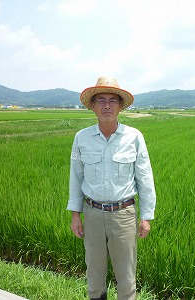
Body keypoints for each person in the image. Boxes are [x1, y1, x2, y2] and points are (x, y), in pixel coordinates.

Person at [67, 77, 156, 300]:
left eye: (112, 101)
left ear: (120, 106)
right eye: (101, 100)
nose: (107, 105)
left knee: (126, 277)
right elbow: (76, 179)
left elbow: (145, 178)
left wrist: (146, 217)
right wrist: (75, 215)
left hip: (124, 216)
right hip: (93, 214)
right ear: (93, 106)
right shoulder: (82, 138)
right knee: (94, 276)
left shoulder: (134, 137)